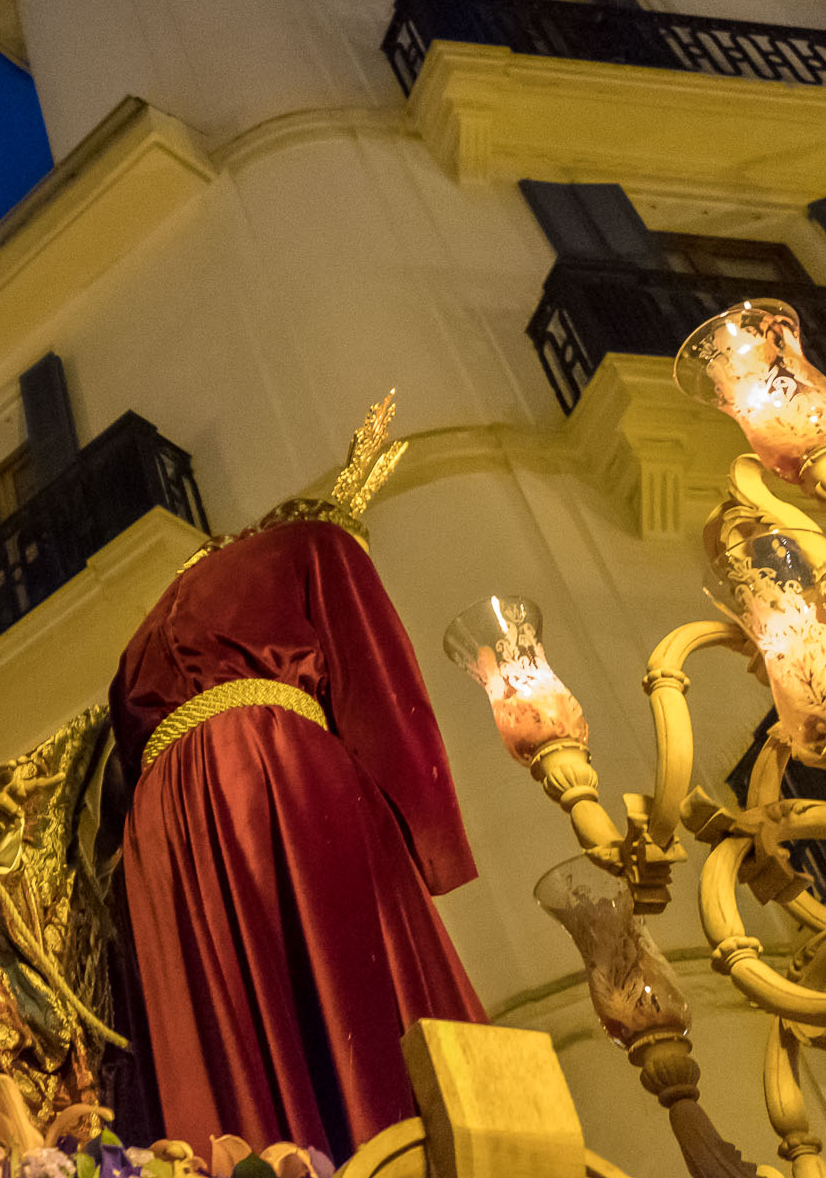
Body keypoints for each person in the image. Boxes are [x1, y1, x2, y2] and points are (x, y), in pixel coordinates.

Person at [107, 397, 484, 1157]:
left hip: (162, 828)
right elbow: (380, 690)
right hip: (276, 770)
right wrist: (428, 844)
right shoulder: (317, 546)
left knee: (227, 1049)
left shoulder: (136, 643)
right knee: (362, 1002)